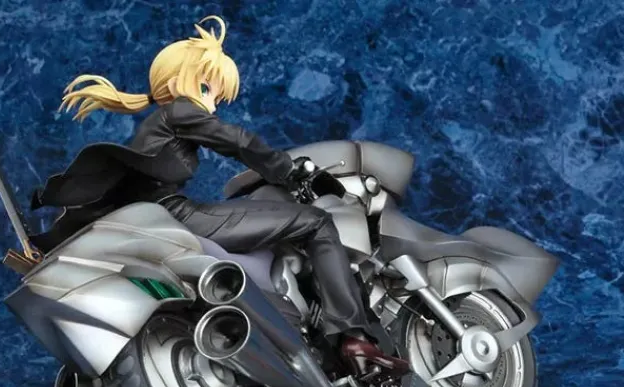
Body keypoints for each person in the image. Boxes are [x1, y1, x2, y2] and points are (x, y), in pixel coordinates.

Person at [29, 16, 391, 366]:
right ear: (181, 82)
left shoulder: (157, 125)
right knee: (316, 222)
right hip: (178, 215)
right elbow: (237, 140)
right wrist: (286, 170)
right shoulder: (178, 112)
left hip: (161, 217)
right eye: (207, 89)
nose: (212, 103)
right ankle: (353, 337)